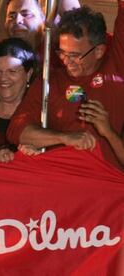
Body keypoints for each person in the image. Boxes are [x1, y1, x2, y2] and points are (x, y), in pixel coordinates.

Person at [7, 3, 124, 170]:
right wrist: (65, 138)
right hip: (62, 178)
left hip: (105, 182)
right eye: (62, 52)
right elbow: (16, 131)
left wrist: (107, 130)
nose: (66, 61)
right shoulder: (49, 80)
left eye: (75, 55)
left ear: (99, 51)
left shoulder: (116, 66)